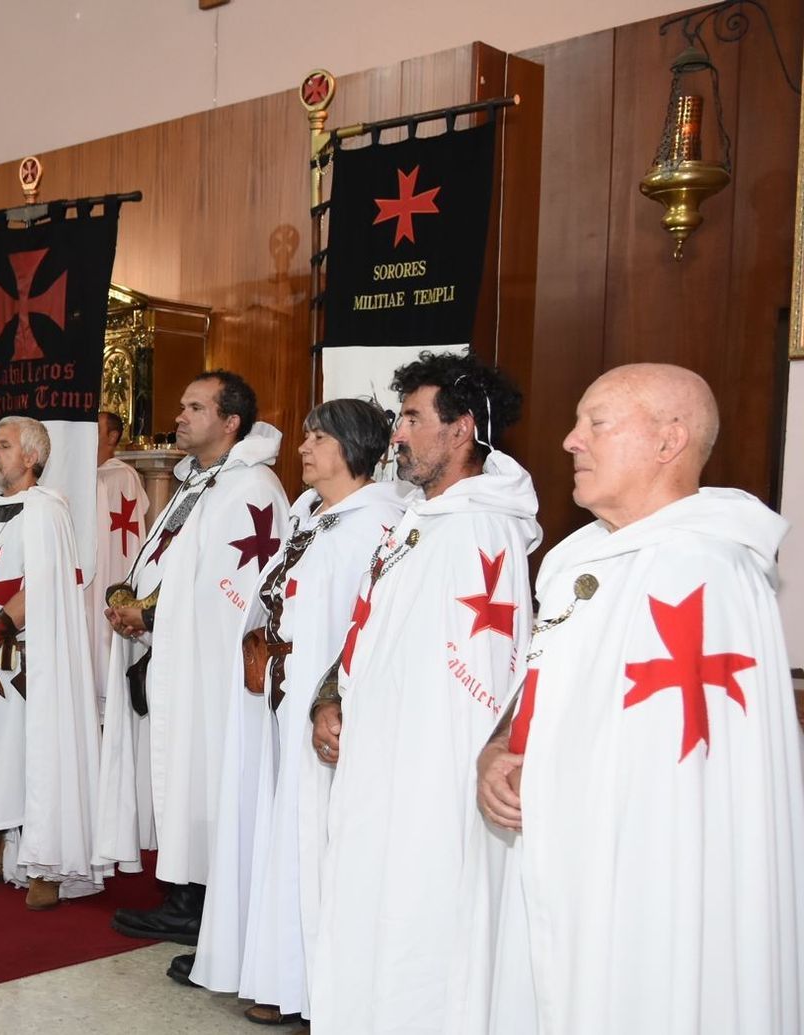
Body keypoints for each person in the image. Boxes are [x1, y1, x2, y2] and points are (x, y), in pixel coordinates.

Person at [465, 365, 804, 1034]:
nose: (571, 440)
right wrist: (500, 746)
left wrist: (553, 780)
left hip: (648, 875)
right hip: (567, 853)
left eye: (596, 423)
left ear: (669, 441)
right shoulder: (577, 560)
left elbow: (680, 773)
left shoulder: (706, 569)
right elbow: (547, 683)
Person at [307, 352, 536, 1035]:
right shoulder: (419, 517)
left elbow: (479, 681)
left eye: (411, 418)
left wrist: (434, 776)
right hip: (380, 762)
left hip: (431, 777)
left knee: (421, 918)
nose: (397, 434)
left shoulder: (481, 529)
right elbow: (371, 628)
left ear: (461, 429)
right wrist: (333, 696)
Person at [227, 400, 410, 1025]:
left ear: (354, 447)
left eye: (320, 438)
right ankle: (284, 975)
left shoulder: (377, 524)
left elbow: (363, 623)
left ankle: (317, 989)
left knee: (320, 836)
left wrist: (333, 696)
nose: (304, 448)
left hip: (327, 703)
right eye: (306, 436)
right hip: (285, 689)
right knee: (289, 831)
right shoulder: (313, 516)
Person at [106, 371, 288, 947]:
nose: (180, 416)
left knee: (205, 770)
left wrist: (149, 616)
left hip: (212, 665)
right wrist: (129, 599)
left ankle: (203, 901)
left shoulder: (251, 487)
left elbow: (232, 585)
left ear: (231, 422)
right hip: (176, 652)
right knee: (183, 770)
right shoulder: (198, 480)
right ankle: (183, 891)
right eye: (181, 405)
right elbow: (168, 559)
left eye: (195, 407)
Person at [0, 415, 105, 910]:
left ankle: (45, 864)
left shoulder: (47, 512)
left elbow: (41, 587)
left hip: (24, 664)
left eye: (3, 445)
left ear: (31, 457)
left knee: (36, 756)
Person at [89, 410, 149, 713]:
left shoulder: (122, 475)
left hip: (116, 560)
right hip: (92, 565)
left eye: (96, 430)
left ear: (113, 436)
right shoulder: (89, 475)